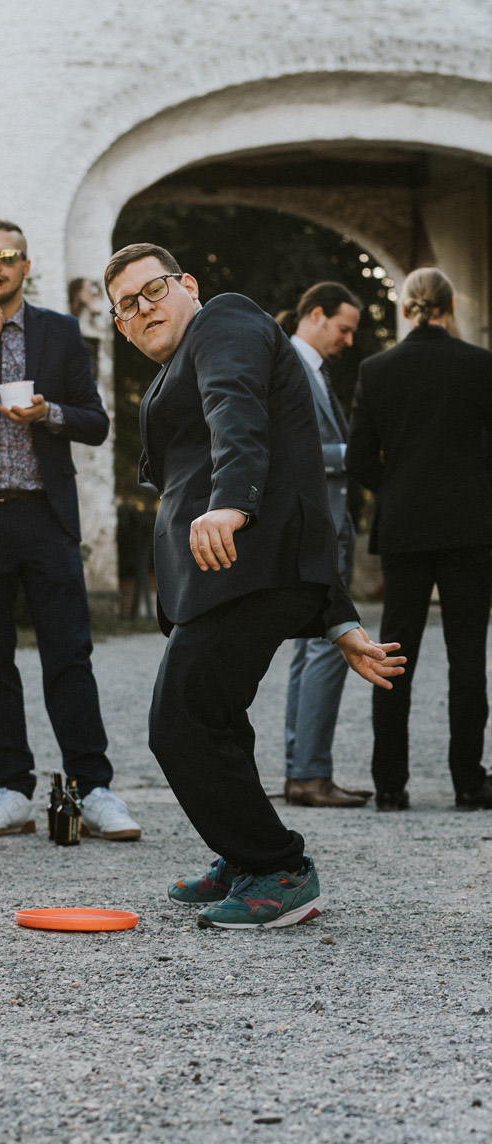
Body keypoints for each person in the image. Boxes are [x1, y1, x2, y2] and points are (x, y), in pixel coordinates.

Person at [103, 242, 404, 929]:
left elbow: (236, 410)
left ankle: (277, 869)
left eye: (154, 291)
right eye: (128, 305)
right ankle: (242, 856)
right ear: (120, 326)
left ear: (188, 284)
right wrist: (337, 616)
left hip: (249, 562)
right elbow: (292, 456)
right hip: (237, 572)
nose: (144, 308)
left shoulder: (226, 320)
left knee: (179, 721)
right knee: (217, 717)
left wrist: (232, 500)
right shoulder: (180, 356)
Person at [0, 218, 140, 841]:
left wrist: (49, 412)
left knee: (69, 651)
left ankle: (94, 788)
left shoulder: (59, 332)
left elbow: (95, 421)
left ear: (25, 267)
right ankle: (9, 787)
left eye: (7, 256)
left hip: (42, 512)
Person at [347, 266, 492, 811]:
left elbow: (360, 457)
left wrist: (398, 487)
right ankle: (468, 781)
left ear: (406, 308)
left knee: (394, 655)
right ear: (449, 309)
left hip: (404, 527)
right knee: (466, 655)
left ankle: (390, 784)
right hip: (468, 527)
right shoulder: (481, 365)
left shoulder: (376, 369)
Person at [278, 283, 370, 808]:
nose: (349, 339)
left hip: (323, 523)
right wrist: (358, 451)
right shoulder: (290, 363)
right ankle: (310, 775)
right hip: (316, 526)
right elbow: (297, 448)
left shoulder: (313, 368)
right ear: (316, 314)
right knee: (331, 645)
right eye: (344, 328)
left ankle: (302, 771)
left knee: (310, 648)